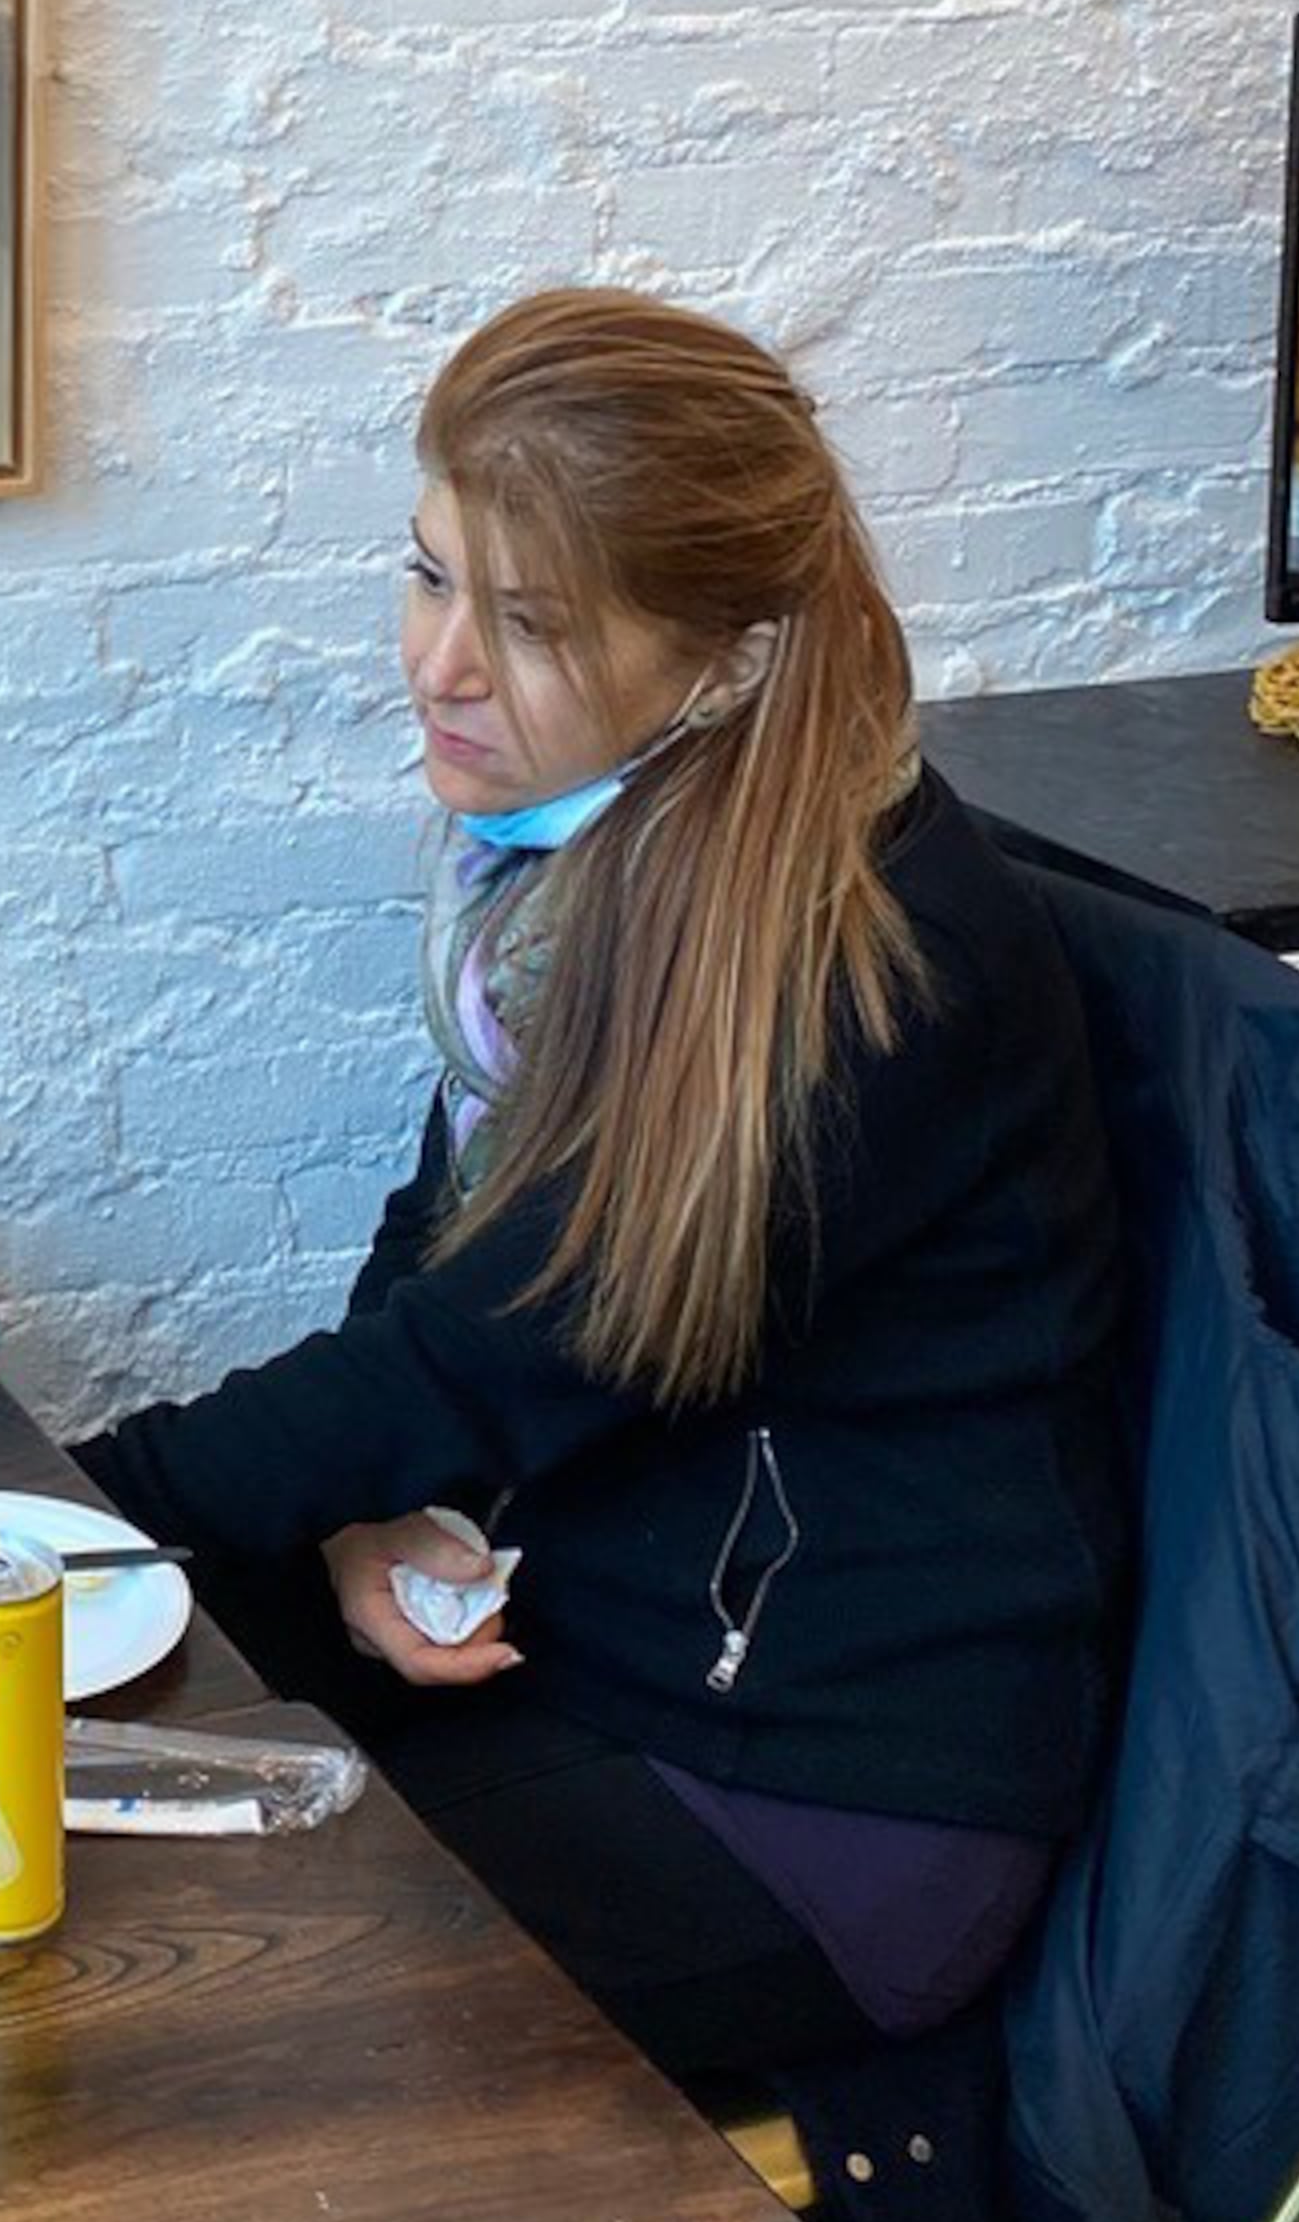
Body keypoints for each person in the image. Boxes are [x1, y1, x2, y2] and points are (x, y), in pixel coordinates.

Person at [76, 287, 1131, 2090]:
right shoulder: (566, 870)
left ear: (718, 659)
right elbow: (447, 1257)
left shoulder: (861, 968)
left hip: (816, 1789)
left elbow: (493, 1355)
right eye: (428, 578)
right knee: (55, 1753)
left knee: (170, 2006)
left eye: (529, 625)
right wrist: (349, 1520)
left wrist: (34, 1521)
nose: (437, 665)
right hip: (587, 1615)